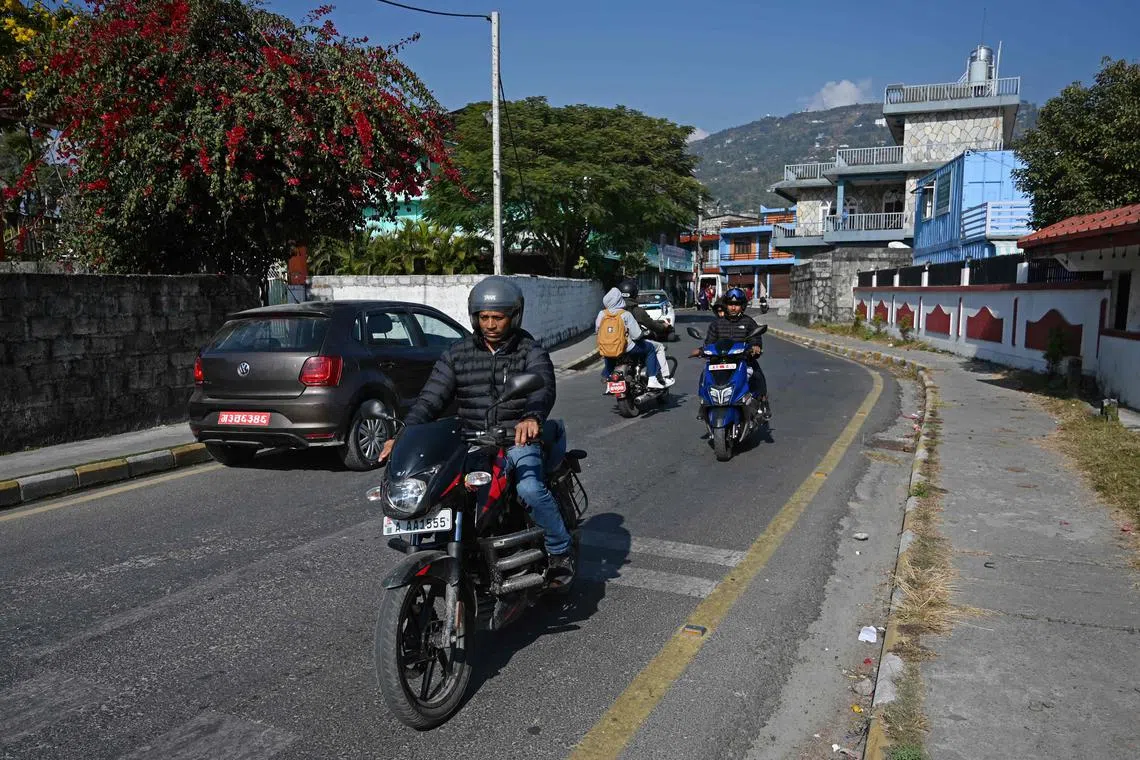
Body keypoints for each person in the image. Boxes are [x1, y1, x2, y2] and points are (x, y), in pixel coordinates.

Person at [379, 277, 575, 581]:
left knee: (530, 489)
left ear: (514, 317)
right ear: (475, 317)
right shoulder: (457, 354)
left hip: (515, 439)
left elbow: (542, 386)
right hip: (470, 442)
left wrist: (532, 417)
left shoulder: (528, 350)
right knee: (442, 491)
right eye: (484, 317)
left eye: (498, 317)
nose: (491, 324)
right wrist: (403, 435)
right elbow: (430, 398)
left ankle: (560, 551)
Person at [692, 287, 771, 419]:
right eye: (730, 304)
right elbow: (709, 342)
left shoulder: (749, 322)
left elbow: (755, 339)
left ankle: (763, 403)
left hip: (743, 361)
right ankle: (704, 403)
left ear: (742, 306)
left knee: (757, 375)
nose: (733, 308)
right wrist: (701, 350)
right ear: (726, 305)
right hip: (719, 361)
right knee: (704, 376)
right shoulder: (716, 324)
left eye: (737, 304)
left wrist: (755, 347)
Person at [617, 279, 675, 388]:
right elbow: (652, 325)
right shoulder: (636, 311)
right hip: (630, 344)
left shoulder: (612, 310)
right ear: (634, 294)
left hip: (614, 345)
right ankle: (663, 377)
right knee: (657, 347)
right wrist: (663, 327)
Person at [596, 286, 660, 382]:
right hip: (626, 347)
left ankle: (606, 374)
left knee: (609, 353)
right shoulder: (625, 314)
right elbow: (636, 335)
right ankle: (652, 379)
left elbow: (597, 330)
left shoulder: (602, 314)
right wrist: (642, 334)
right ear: (619, 300)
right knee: (650, 348)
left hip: (606, 348)